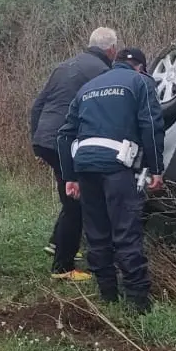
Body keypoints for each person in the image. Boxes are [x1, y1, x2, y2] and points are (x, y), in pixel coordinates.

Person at [57, 47, 165, 314]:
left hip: (85, 166)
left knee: (97, 233)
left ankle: (107, 295)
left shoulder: (87, 88)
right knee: (126, 233)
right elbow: (151, 125)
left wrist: (70, 176)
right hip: (117, 167)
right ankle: (138, 303)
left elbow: (64, 135)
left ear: (114, 63)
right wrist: (156, 169)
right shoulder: (140, 82)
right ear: (140, 67)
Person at [29, 27, 119, 281]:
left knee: (70, 197)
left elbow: (38, 105)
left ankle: (57, 243)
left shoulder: (64, 66)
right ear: (111, 50)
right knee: (77, 203)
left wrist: (37, 141)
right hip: (68, 141)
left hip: (47, 139)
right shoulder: (103, 72)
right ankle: (63, 267)